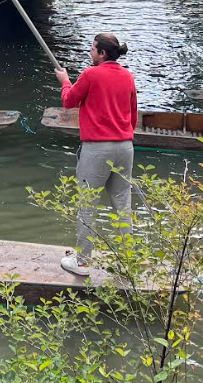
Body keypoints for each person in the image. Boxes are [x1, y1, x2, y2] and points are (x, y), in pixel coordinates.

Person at [55, 32, 137, 278]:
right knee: (122, 203)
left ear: (102, 53)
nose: (89, 53)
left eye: (92, 49)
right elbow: (133, 116)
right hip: (125, 146)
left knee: (87, 205)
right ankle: (128, 261)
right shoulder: (128, 76)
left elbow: (69, 101)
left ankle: (82, 263)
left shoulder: (91, 74)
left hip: (97, 148)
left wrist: (65, 80)